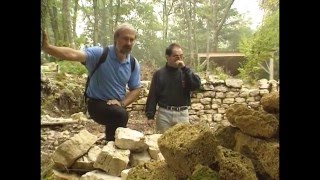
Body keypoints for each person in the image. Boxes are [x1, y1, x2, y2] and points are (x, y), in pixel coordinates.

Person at [41, 23, 141, 141]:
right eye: (125, 38)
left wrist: (122, 103)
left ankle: (111, 148)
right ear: (116, 39)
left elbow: (136, 89)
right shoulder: (100, 54)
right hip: (96, 104)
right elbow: (72, 54)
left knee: (118, 113)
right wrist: (47, 47)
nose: (128, 43)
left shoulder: (133, 63)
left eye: (131, 40)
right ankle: (114, 147)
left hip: (116, 105)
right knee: (121, 114)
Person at [145, 43, 201, 133]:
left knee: (183, 144)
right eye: (175, 56)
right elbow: (153, 95)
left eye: (181, 56)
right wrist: (150, 116)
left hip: (182, 114)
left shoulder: (186, 72)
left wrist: (185, 69)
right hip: (164, 115)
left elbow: (196, 86)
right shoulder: (159, 74)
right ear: (167, 57)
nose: (179, 59)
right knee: (162, 143)